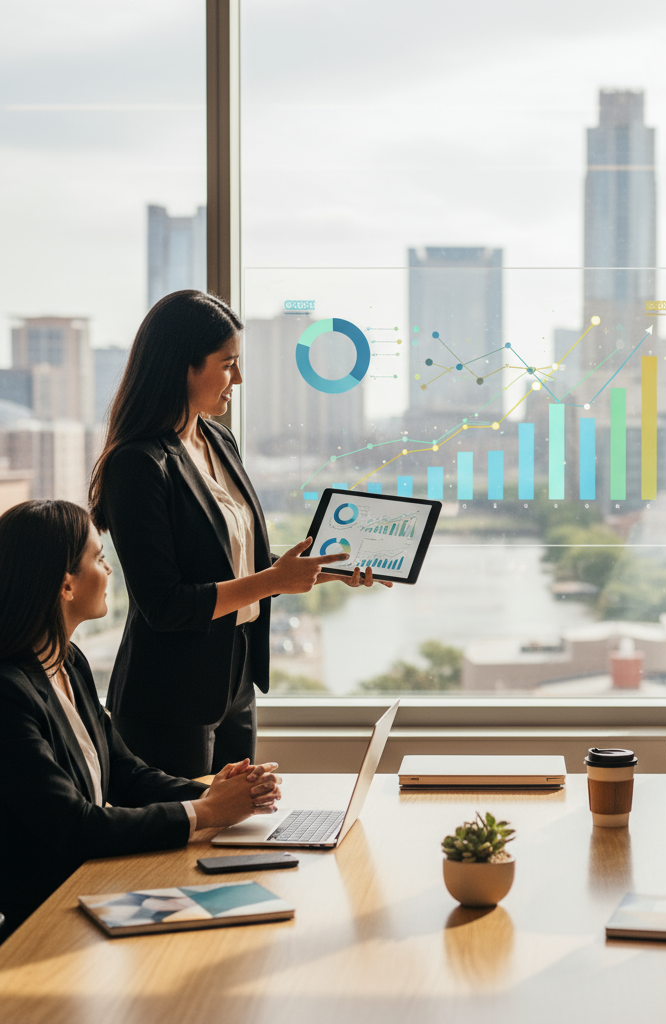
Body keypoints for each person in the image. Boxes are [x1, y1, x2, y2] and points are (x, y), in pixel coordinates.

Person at [89, 290, 390, 778]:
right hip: (169, 695)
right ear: (184, 367)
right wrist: (274, 582)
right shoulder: (137, 464)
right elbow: (164, 604)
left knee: (237, 819)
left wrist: (324, 569)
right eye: (228, 364)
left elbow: (234, 560)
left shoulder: (218, 438)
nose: (240, 378)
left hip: (235, 675)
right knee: (188, 823)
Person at [0, 499, 283, 941]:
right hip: (47, 916)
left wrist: (221, 796)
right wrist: (207, 811)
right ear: (66, 585)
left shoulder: (67, 661)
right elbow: (76, 827)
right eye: (98, 558)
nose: (109, 568)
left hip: (95, 885)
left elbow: (125, 774)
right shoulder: (8, 693)